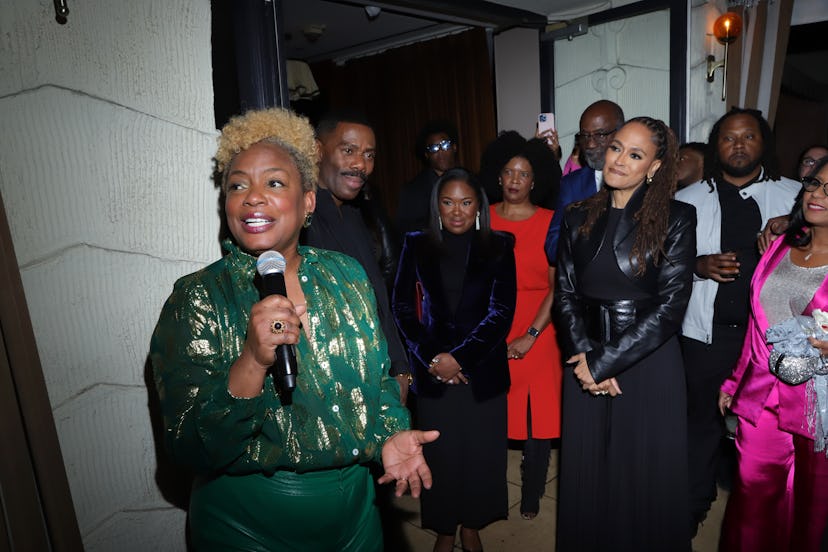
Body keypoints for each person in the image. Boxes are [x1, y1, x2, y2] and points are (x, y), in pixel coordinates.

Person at [150, 108, 438, 551]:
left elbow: (377, 382)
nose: (252, 197)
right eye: (237, 185)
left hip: (357, 515)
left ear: (308, 201)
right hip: (249, 522)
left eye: (274, 183)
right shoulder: (199, 297)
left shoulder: (347, 275)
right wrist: (252, 359)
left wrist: (390, 433)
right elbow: (188, 446)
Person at [553, 117, 696, 551]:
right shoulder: (577, 214)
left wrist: (603, 362)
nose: (620, 160)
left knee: (644, 478)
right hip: (583, 363)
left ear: (654, 166)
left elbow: (671, 309)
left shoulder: (676, 217)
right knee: (588, 474)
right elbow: (564, 292)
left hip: (648, 363)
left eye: (635, 154)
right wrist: (584, 358)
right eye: (616, 148)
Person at [674, 107, 800, 535]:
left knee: (765, 430)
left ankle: (764, 518)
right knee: (701, 425)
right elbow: (662, 266)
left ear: (763, 142)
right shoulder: (688, 199)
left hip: (771, 342)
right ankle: (692, 505)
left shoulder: (796, 196)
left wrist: (796, 224)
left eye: (748, 136)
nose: (739, 145)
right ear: (716, 147)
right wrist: (697, 265)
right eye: (729, 138)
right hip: (706, 337)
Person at [392, 168, 516, 552]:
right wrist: (434, 358)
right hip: (432, 372)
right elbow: (401, 307)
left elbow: (501, 312)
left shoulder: (499, 245)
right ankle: (445, 527)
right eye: (448, 202)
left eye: (465, 202)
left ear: (478, 206)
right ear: (437, 206)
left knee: (481, 456)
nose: (457, 211)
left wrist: (460, 359)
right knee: (441, 456)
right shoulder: (416, 244)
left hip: (482, 372)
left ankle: (472, 525)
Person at [718, 156, 828, 551]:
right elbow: (756, 323)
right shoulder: (780, 244)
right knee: (751, 499)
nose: (818, 195)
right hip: (763, 396)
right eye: (815, 184)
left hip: (820, 410)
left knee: (810, 510)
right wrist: (735, 380)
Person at [302, 110, 412, 403]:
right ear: (317, 150)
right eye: (348, 150)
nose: (360, 165)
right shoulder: (299, 219)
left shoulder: (355, 216)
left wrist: (401, 369)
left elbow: (379, 299)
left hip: (378, 380)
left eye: (369, 155)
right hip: (331, 389)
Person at [481, 131, 561, 520]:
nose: (515, 179)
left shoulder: (550, 221)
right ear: (498, 177)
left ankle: (532, 493)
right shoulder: (482, 217)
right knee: (493, 410)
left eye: (524, 174)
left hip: (540, 324)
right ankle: (490, 489)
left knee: (538, 415)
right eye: (509, 172)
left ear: (535, 181)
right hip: (491, 322)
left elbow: (557, 286)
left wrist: (531, 335)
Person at [544, 99, 625, 264]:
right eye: (585, 135)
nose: (590, 144)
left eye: (600, 134)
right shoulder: (571, 185)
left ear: (621, 132)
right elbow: (553, 248)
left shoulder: (642, 179)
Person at [396, 120, 460, 236]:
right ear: (427, 155)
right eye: (434, 148)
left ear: (454, 147)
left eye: (445, 145)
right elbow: (404, 232)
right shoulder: (412, 190)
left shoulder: (470, 182)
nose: (440, 151)